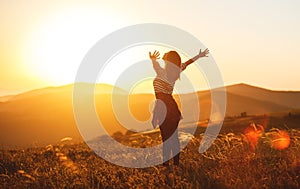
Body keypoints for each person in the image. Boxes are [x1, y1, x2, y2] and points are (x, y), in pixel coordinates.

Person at [149, 48, 209, 166]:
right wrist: (199, 55)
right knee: (173, 137)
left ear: (168, 61)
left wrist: (153, 60)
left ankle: (166, 165)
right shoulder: (177, 71)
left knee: (166, 138)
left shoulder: (162, 72)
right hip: (172, 108)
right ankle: (175, 164)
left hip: (162, 107)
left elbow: (156, 65)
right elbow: (188, 62)